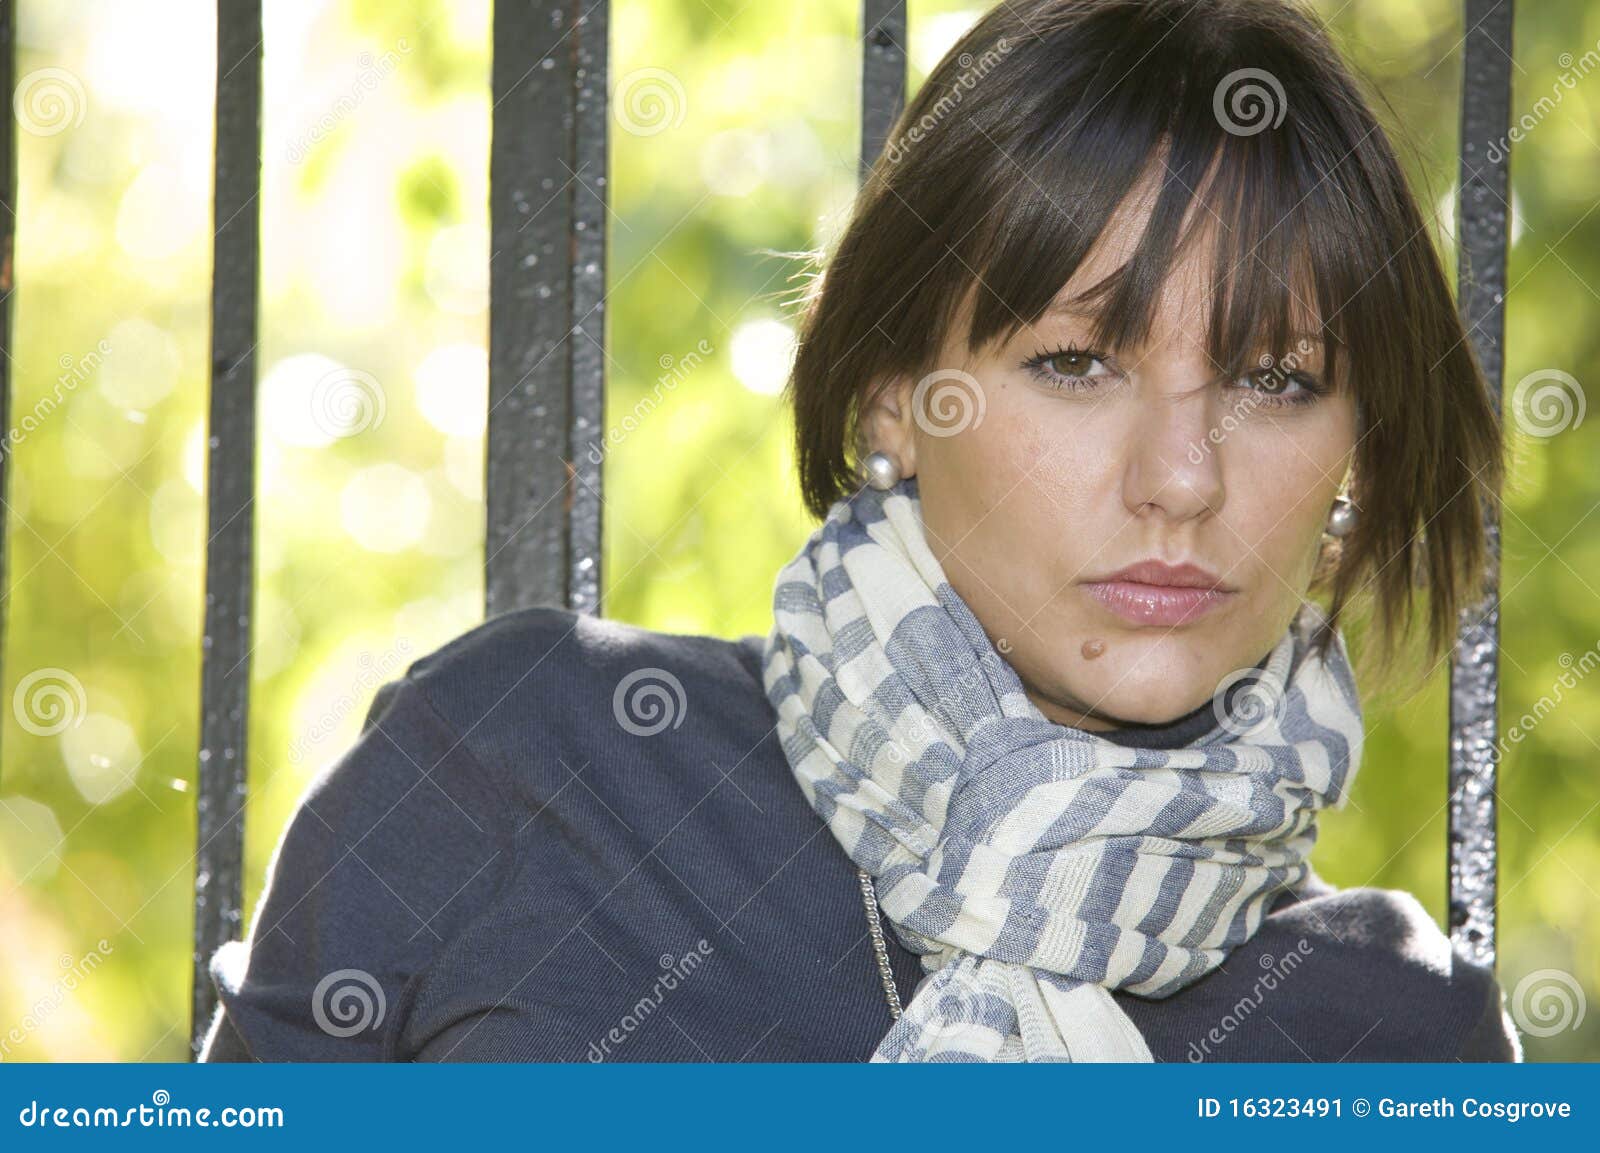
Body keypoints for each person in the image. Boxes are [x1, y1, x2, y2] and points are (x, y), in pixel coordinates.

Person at [201, 0, 1519, 1062]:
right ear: (895, 394)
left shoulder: (1400, 1037)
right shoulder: (527, 757)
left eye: (1274, 379)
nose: (1180, 478)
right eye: (1075, 361)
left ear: (1360, 452)